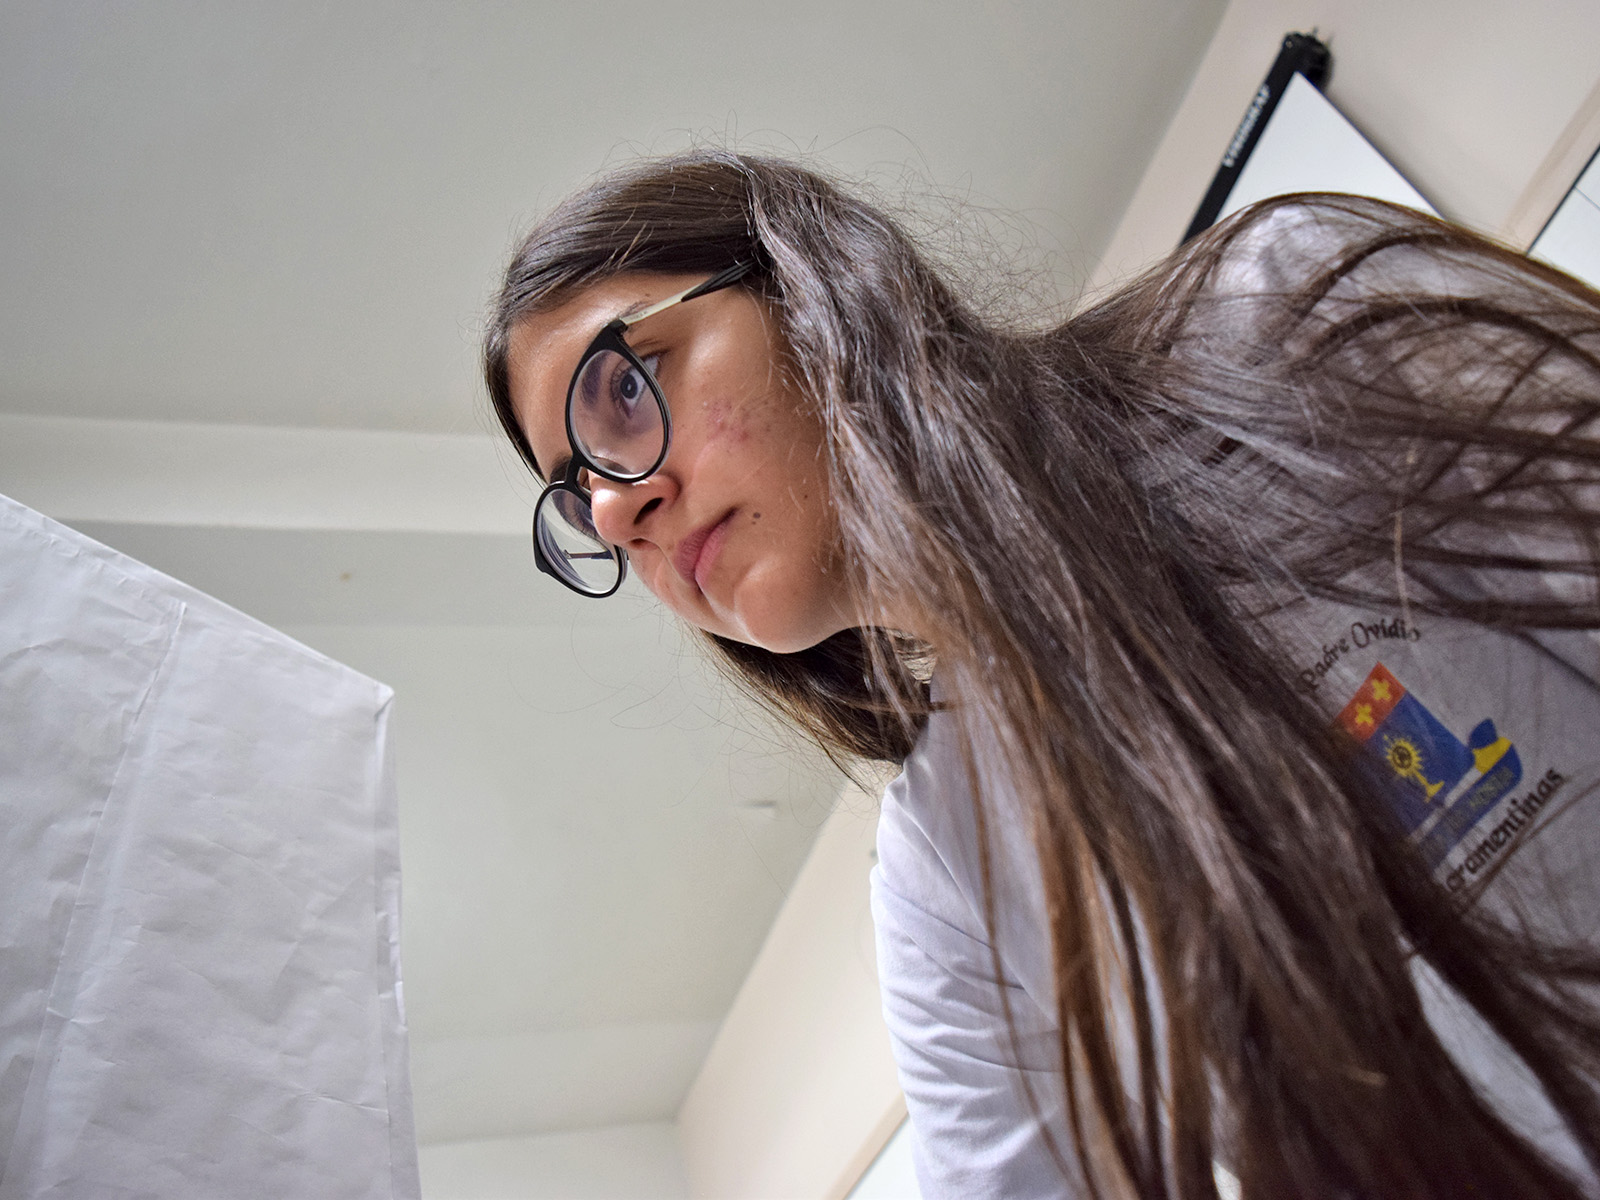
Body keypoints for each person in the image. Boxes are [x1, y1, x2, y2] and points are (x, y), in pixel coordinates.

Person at [483, 149, 1600, 1199]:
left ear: (805, 289)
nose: (616, 511)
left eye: (624, 388)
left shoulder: (1280, 318)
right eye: (577, 497)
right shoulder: (941, 878)